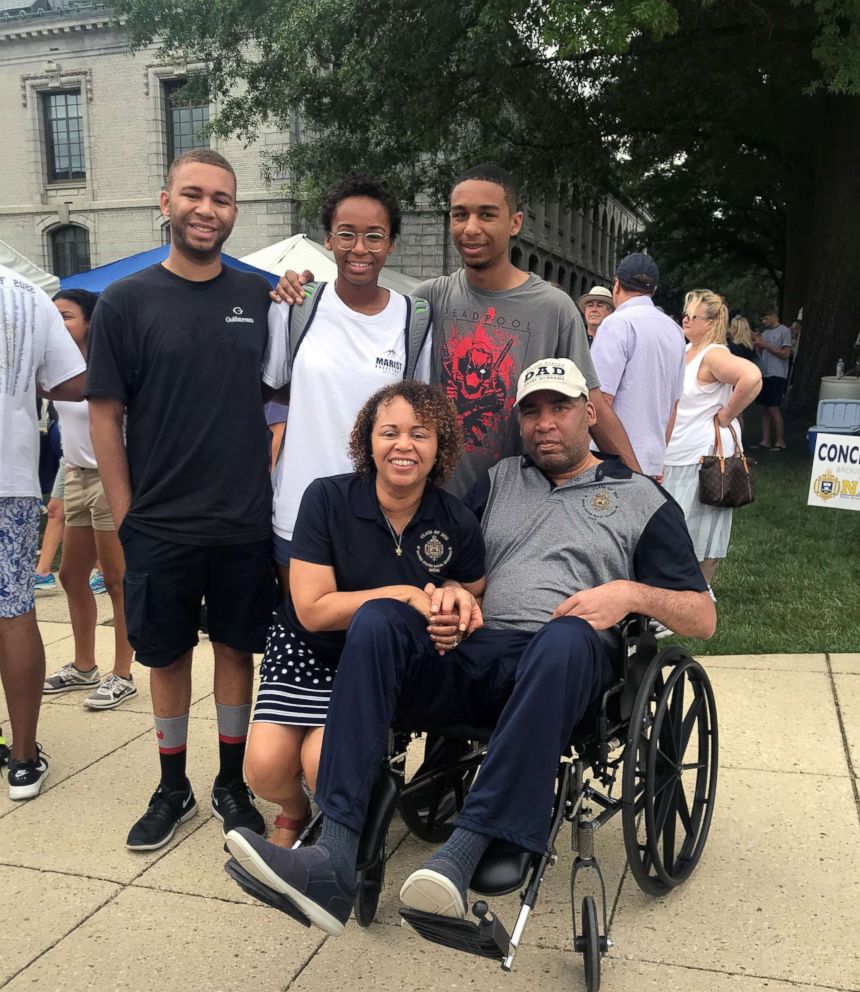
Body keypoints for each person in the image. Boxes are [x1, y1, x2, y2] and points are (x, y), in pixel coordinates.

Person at [224, 357, 716, 935]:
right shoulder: (501, 481)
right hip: (474, 651)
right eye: (532, 412)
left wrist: (629, 594)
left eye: (560, 408)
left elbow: (702, 614)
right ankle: (332, 856)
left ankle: (464, 853)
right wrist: (454, 594)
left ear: (590, 412)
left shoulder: (640, 497)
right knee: (381, 617)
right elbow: (462, 566)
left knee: (565, 638)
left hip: (566, 661)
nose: (546, 423)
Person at [86, 149, 275, 850]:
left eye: (222, 199)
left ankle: (231, 782)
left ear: (234, 213)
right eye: (193, 195)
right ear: (164, 201)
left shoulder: (258, 297)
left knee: (235, 650)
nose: (207, 209)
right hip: (159, 520)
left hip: (242, 519)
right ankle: (173, 786)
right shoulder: (126, 301)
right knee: (164, 657)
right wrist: (127, 515)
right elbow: (104, 414)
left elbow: (282, 395)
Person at [274, 164, 640, 496]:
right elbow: (363, 317)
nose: (471, 228)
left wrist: (644, 492)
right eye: (460, 215)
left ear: (514, 223)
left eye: (487, 215)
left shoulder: (553, 308)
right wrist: (299, 288)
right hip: (430, 503)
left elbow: (592, 405)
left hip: (515, 503)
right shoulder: (427, 300)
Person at [245, 381, 485, 847]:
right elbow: (312, 610)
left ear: (440, 448)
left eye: (420, 434)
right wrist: (406, 593)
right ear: (367, 441)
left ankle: (328, 820)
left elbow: (472, 588)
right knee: (264, 770)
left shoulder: (456, 520)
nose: (403, 445)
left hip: (375, 661)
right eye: (389, 431)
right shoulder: (327, 500)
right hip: (306, 650)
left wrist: (454, 593)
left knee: (321, 763)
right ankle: (293, 811)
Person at [263, 174, 431, 595]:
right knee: (304, 636)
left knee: (372, 640)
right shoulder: (297, 305)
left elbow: (421, 419)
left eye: (374, 236)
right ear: (327, 240)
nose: (360, 248)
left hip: (383, 513)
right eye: (347, 234)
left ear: (390, 244)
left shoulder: (415, 319)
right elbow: (273, 387)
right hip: (298, 506)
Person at [0, 264, 86, 800]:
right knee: (13, 610)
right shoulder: (23, 295)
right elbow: (72, 381)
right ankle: (25, 758)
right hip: (8, 476)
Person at [40, 289, 137, 709]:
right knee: (70, 575)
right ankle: (84, 665)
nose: (58, 323)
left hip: (109, 478)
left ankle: (123, 673)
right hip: (75, 474)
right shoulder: (59, 369)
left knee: (116, 580)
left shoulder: (108, 364)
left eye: (66, 316)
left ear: (91, 321)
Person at [661, 291, 762, 627]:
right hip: (677, 451)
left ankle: (699, 593)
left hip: (700, 455)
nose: (686, 319)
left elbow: (751, 378)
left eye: (694, 316)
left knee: (699, 523)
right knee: (677, 524)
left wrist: (726, 415)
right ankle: (682, 593)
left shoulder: (714, 355)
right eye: (685, 314)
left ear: (711, 323)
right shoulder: (688, 351)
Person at [590, 253, 686, 480]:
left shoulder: (616, 324)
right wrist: (657, 460)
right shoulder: (674, 331)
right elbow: (674, 405)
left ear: (616, 285)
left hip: (612, 462)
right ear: (652, 290)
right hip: (651, 461)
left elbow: (600, 400)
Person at [752, 307, 792, 451]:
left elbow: (786, 354)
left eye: (766, 318)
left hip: (778, 373)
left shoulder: (784, 331)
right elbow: (760, 352)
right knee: (763, 408)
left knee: (774, 407)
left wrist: (766, 346)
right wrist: (758, 344)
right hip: (765, 373)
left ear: (774, 315)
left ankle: (780, 441)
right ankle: (765, 440)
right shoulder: (765, 333)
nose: (764, 322)